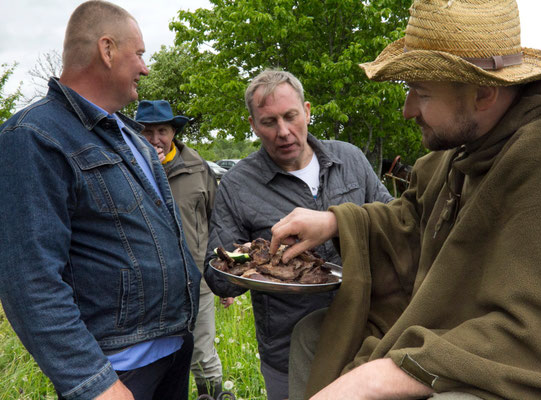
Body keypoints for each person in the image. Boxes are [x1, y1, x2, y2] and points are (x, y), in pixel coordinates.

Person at [270, 0, 541, 399]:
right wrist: (336, 223)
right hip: (453, 325)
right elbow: (416, 219)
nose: (408, 110)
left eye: (421, 92)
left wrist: (378, 378)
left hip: (521, 358)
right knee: (313, 335)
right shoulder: (464, 143)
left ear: (483, 94)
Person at [0, 2, 201, 399]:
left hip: (174, 353)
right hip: (117, 374)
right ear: (107, 50)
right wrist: (92, 382)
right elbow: (29, 281)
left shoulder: (129, 135)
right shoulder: (32, 136)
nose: (146, 68)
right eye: (140, 54)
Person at [203, 69, 394, 399]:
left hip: (366, 337)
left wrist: (340, 224)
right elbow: (216, 277)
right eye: (268, 122)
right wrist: (248, 257)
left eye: (291, 117)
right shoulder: (237, 185)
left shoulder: (349, 159)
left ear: (306, 111)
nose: (283, 132)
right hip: (288, 351)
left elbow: (395, 222)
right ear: (253, 124)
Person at [135, 99, 229, 397]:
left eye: (161, 130)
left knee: (203, 356)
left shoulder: (198, 167)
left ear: (174, 131)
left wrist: (224, 278)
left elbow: (217, 221)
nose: (154, 139)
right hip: (146, 286)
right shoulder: (124, 168)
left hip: (196, 281)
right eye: (146, 132)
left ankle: (213, 396)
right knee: (153, 358)